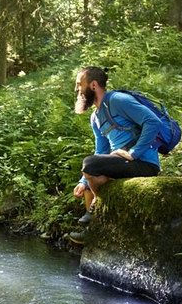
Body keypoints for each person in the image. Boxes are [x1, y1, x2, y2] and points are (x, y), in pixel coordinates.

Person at [68, 66, 162, 243]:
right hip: (122, 165)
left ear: (93, 85)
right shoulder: (95, 117)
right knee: (87, 183)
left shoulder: (118, 100)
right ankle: (91, 232)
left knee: (89, 164)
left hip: (143, 163)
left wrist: (134, 153)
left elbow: (152, 122)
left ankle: (96, 216)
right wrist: (82, 181)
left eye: (79, 85)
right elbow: (101, 152)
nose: (76, 89)